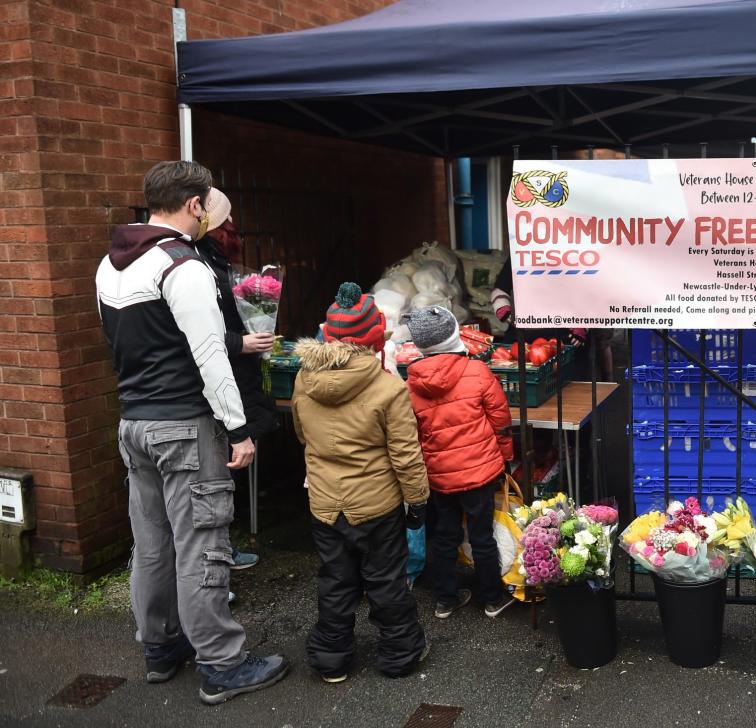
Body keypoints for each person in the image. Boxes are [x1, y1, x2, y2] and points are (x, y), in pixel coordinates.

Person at [95, 160, 287, 705]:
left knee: (151, 543)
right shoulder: (185, 266)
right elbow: (209, 356)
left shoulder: (111, 267)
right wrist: (240, 429)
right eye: (206, 205)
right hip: (185, 426)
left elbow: (120, 347)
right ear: (195, 205)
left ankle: (159, 647)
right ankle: (222, 664)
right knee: (203, 542)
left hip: (134, 423)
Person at [292, 282, 431, 682]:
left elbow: (302, 435)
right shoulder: (388, 388)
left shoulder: (304, 380)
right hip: (376, 505)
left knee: (335, 580)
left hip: (324, 503)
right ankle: (399, 655)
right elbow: (406, 454)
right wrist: (417, 500)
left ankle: (332, 660)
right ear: (374, 339)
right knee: (386, 579)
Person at [403, 306, 516, 619]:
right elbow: (500, 420)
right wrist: (506, 456)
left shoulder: (411, 382)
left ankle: (445, 599)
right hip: (480, 472)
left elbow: (410, 431)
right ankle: (492, 598)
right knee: (482, 536)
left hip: (438, 475)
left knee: (444, 535)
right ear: (453, 334)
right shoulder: (477, 371)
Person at [195, 196, 277, 576]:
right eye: (229, 221)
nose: (234, 228)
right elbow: (195, 337)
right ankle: (213, 569)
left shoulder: (213, 260)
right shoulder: (196, 264)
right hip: (216, 379)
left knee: (220, 474)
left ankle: (222, 549)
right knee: (212, 475)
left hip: (235, 372)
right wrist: (240, 342)